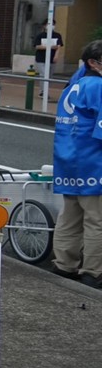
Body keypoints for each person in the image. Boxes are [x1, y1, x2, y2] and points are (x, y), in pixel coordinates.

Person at [52, 40, 102, 287]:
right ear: (93, 62)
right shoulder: (99, 87)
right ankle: (94, 272)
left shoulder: (73, 86)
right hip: (93, 161)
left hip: (68, 159)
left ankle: (64, 265)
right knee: (96, 220)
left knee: (70, 217)